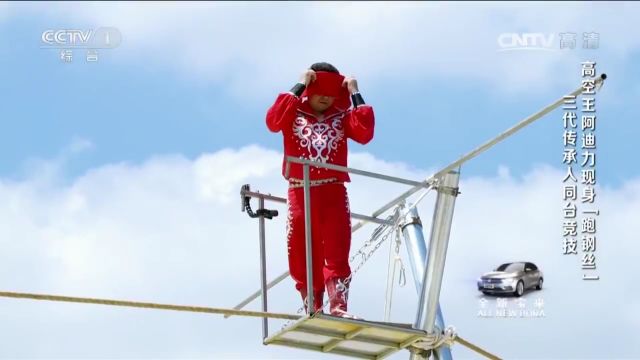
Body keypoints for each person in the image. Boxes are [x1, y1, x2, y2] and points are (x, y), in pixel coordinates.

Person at [265, 62, 375, 318]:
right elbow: (273, 121)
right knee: (302, 249)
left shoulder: (342, 117)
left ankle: (338, 306)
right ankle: (312, 306)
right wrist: (300, 84)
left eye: (331, 92)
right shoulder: (293, 113)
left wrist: (355, 91)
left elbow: (365, 132)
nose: (325, 97)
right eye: (319, 90)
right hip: (299, 191)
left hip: (333, 192)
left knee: (337, 248)